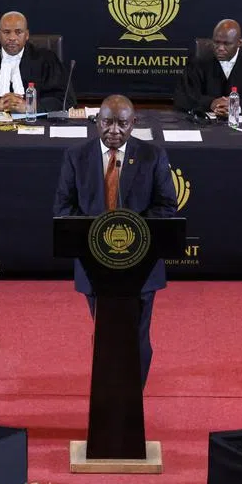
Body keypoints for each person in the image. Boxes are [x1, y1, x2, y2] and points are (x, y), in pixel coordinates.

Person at [53, 95, 177, 386]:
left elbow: (166, 206)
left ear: (133, 124)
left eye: (122, 123)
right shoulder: (76, 156)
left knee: (136, 332)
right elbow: (63, 208)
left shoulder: (152, 155)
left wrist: (130, 232)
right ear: (97, 122)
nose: (114, 130)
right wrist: (99, 236)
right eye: (107, 122)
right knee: (107, 330)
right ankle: (109, 390)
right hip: (93, 262)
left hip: (140, 264)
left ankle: (133, 393)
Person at [174, 19, 242, 115]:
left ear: (239, 43)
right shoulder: (198, 62)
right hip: (207, 125)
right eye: (216, 42)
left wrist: (238, 106)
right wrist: (210, 103)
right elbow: (183, 96)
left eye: (226, 44)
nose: (220, 48)